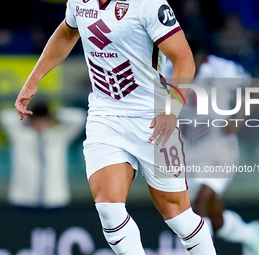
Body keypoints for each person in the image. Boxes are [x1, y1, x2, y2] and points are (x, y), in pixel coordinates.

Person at [14, 0, 216, 254]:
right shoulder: (79, 2)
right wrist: (34, 80)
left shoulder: (149, 5)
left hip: (152, 117)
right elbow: (67, 31)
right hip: (105, 114)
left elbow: (184, 59)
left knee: (177, 215)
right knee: (109, 210)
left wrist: (172, 109)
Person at [166, 41, 259, 254]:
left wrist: (239, 118)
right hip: (189, 153)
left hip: (219, 150)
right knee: (215, 217)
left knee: (200, 202)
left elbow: (256, 87)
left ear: (202, 57)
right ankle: (249, 234)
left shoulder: (222, 69)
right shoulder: (168, 70)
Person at [0, 100, 86, 208]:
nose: (40, 123)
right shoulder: (20, 136)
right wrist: (26, 114)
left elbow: (79, 118)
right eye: (37, 120)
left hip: (55, 199)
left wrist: (55, 114)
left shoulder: (59, 136)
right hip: (24, 199)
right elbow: (4, 116)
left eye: (43, 119)